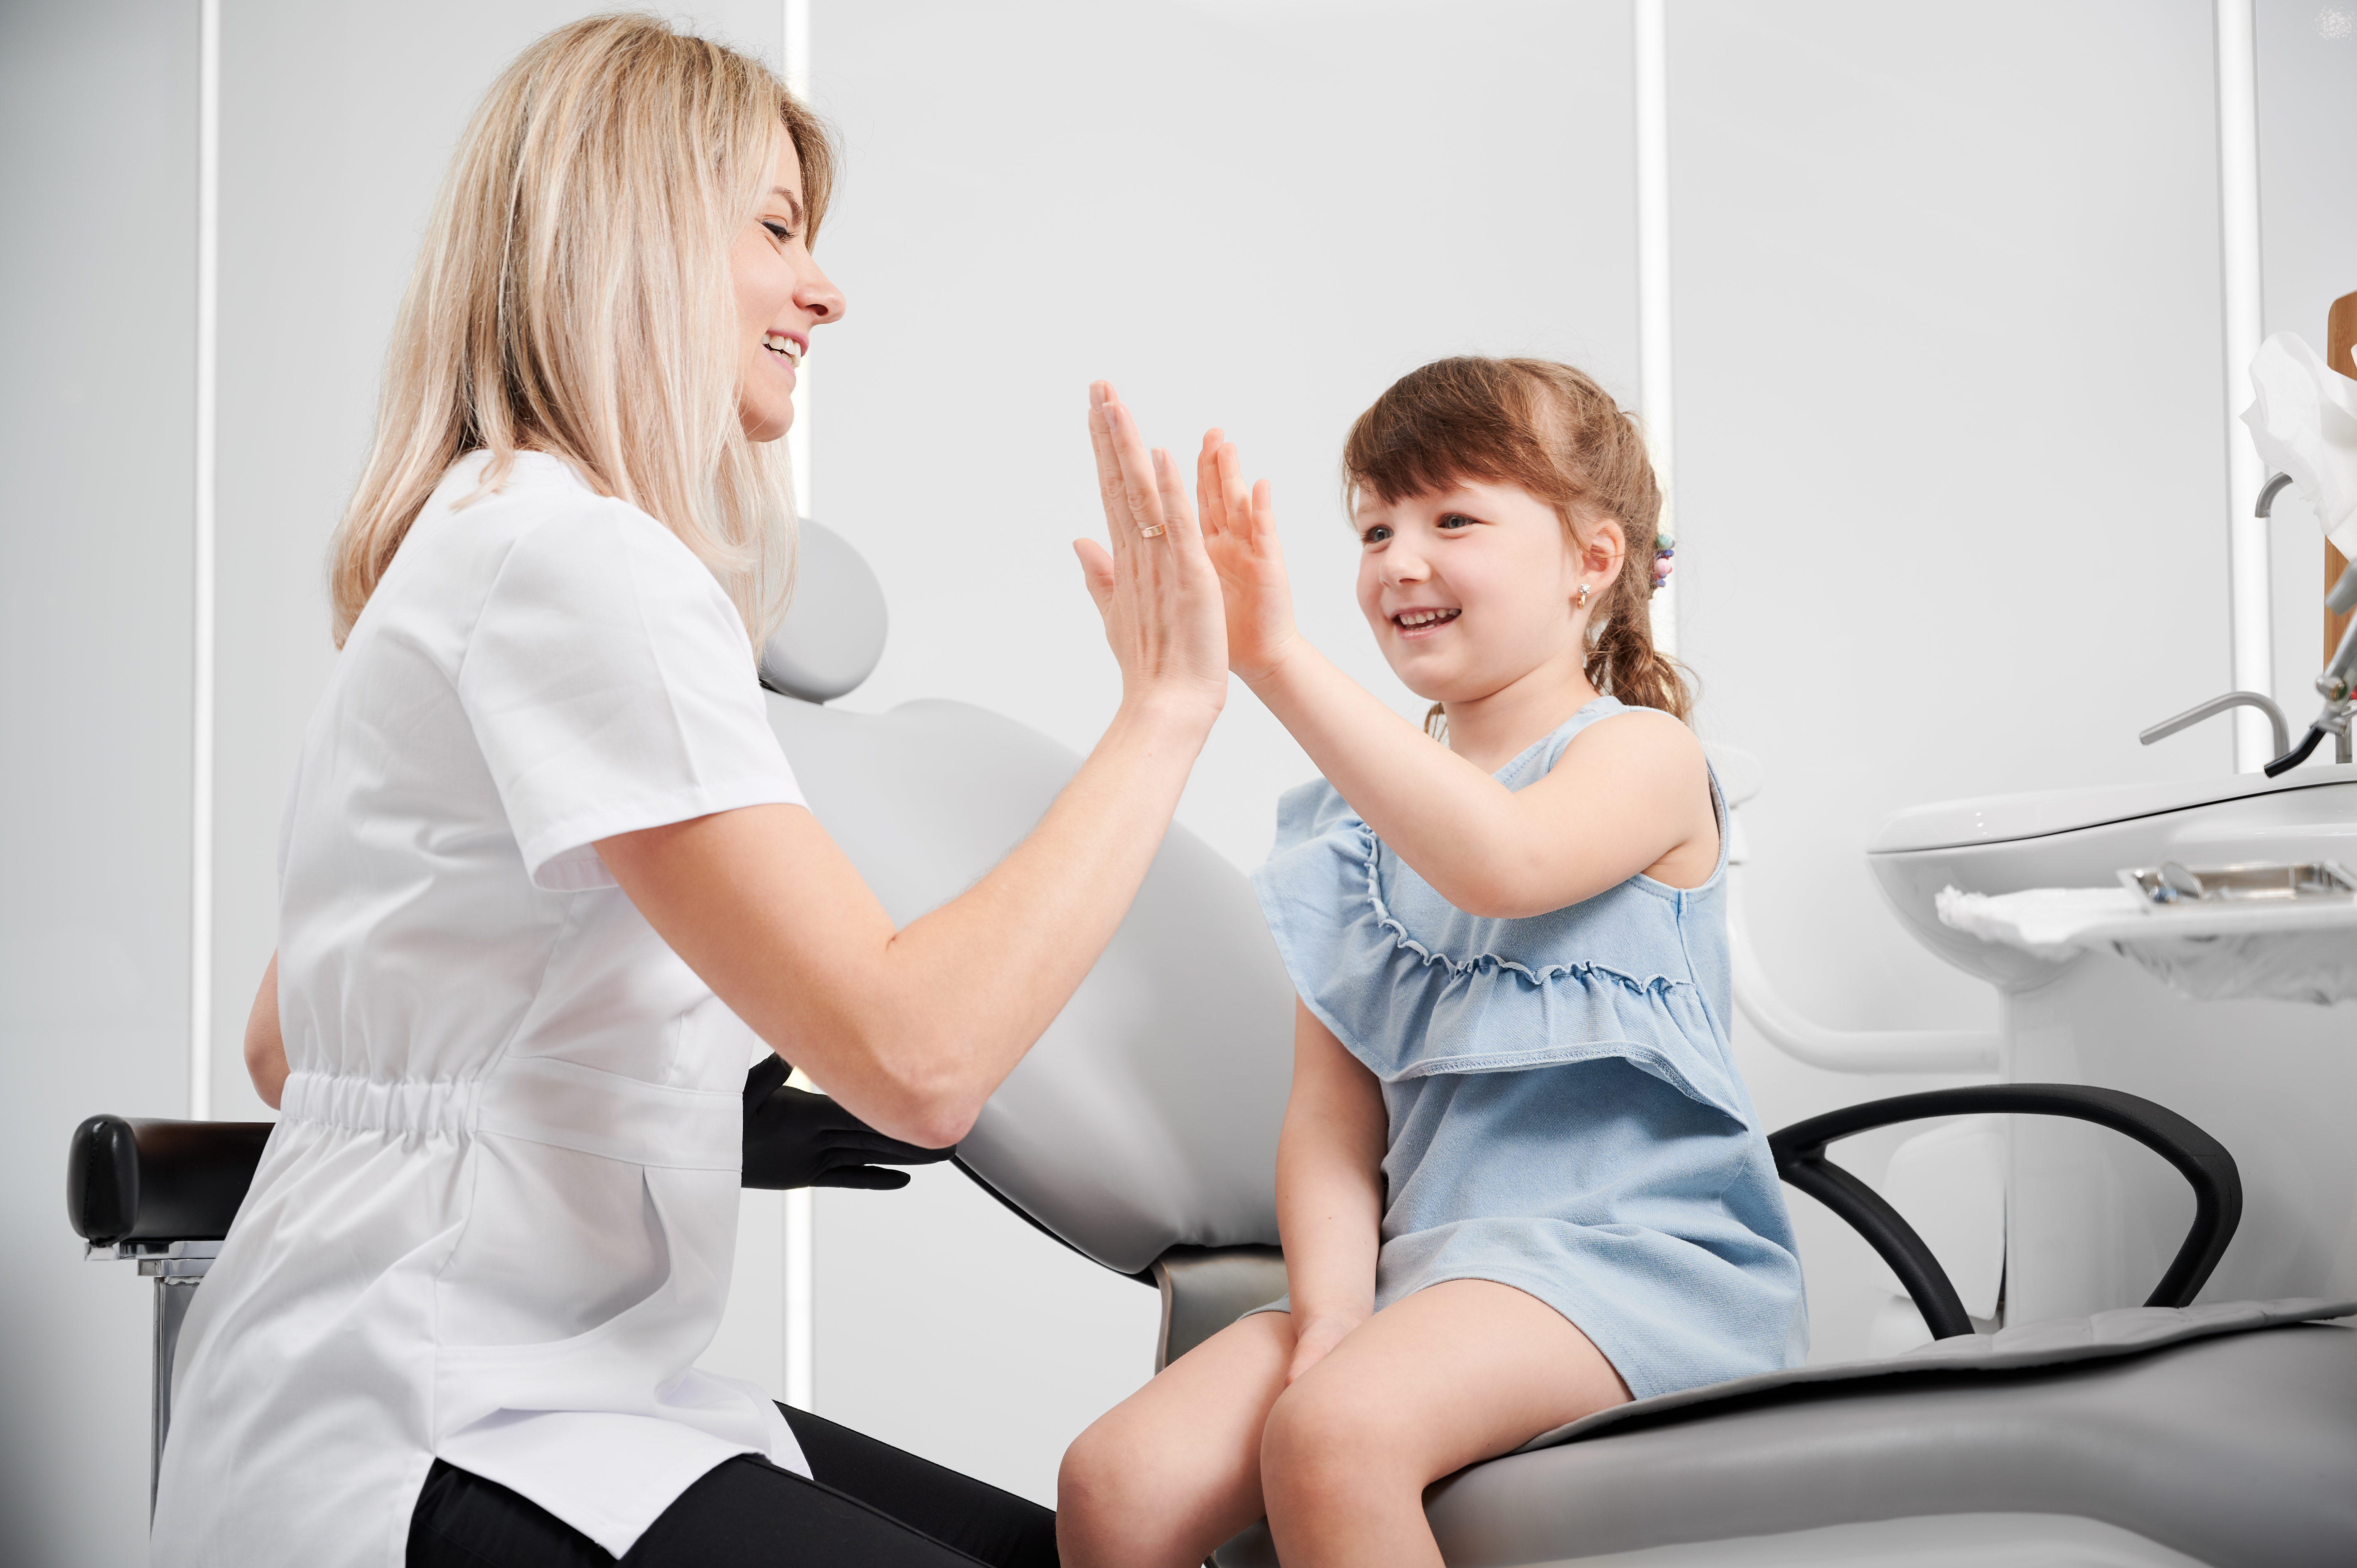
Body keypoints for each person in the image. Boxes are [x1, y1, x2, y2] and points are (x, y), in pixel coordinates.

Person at [153, 17, 1229, 1568]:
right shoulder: (589, 566)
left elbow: (290, 1041)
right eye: (778, 230)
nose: (826, 288)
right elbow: (919, 1061)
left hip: (494, 1376)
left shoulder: (486, 534)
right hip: (438, 1414)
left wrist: (673, 1111)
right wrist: (1167, 709)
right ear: (633, 233)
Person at [1057, 360, 1807, 1568]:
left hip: (1630, 1264)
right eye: (1374, 527)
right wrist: (1334, 1315)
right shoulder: (1336, 842)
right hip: (1424, 1277)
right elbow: (1329, 1120)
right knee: (1116, 1484)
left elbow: (1499, 863)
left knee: (1334, 1436)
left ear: (1591, 561)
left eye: (1452, 518)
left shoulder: (1640, 758)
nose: (1400, 558)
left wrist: (1274, 660)